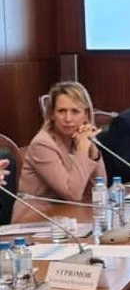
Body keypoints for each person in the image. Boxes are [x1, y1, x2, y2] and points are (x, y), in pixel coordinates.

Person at [12, 81, 106, 223]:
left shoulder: (78, 138)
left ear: (86, 114)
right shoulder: (42, 144)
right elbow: (72, 194)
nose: (68, 118)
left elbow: (100, 187)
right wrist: (82, 149)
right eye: (61, 111)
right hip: (35, 220)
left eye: (75, 111)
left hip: (68, 216)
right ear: (51, 114)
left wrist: (92, 149)